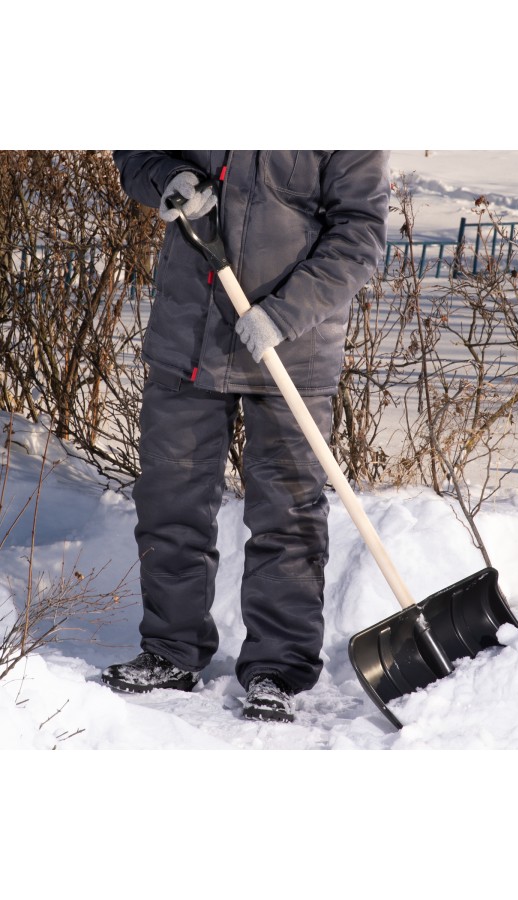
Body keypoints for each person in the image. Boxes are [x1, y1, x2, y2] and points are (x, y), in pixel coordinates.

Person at [101, 151, 390, 722]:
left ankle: (278, 668)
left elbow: (359, 234)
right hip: (188, 339)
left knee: (288, 515)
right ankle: (170, 649)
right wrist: (168, 176)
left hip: (293, 349)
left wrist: (284, 314)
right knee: (170, 502)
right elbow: (137, 151)